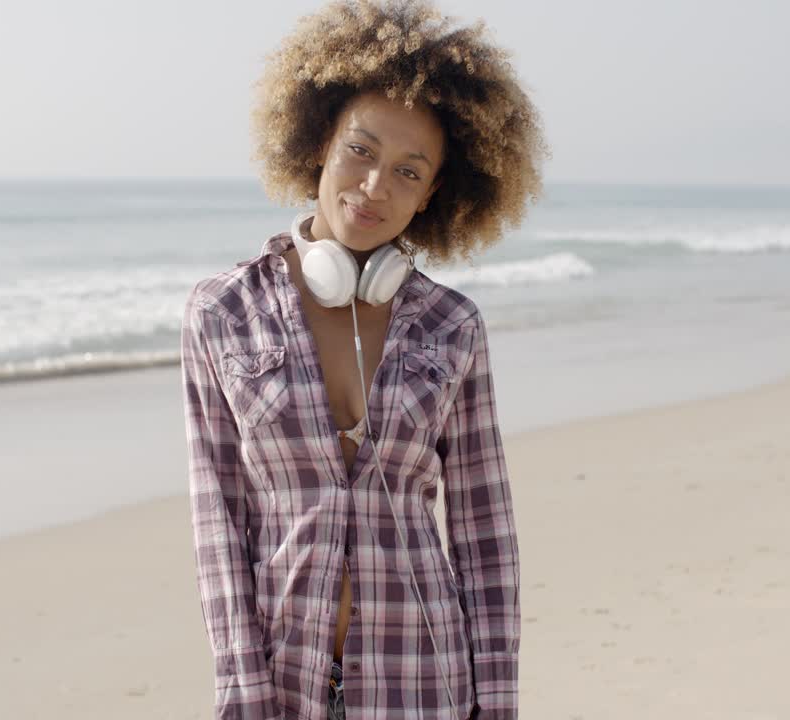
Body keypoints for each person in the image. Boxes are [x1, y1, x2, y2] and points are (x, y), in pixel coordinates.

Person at [180, 1, 547, 717]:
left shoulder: (451, 327)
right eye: (361, 151)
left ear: (434, 191)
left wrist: (496, 703)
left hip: (425, 682)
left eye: (409, 171)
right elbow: (218, 522)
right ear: (321, 140)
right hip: (282, 682)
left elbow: (484, 533)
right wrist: (241, 689)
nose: (376, 186)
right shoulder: (222, 313)